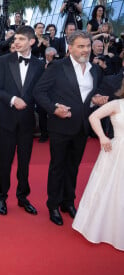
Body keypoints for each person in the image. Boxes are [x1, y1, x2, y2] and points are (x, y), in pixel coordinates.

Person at [33, 30, 105, 226]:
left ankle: (68, 202)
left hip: (82, 126)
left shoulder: (94, 70)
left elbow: (90, 96)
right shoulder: (57, 67)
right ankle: (53, 205)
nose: (85, 50)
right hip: (60, 126)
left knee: (73, 167)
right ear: (70, 47)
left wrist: (97, 99)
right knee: (58, 166)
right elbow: (39, 92)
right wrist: (54, 109)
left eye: (88, 46)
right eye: (81, 46)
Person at [0, 25, 44, 216]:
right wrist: (13, 100)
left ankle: (23, 197)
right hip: (7, 121)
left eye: (21, 39)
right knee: (5, 162)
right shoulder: (4, 61)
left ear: (31, 41)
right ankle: (2, 196)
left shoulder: (39, 65)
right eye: (15, 39)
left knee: (24, 163)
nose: (16, 42)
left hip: (27, 123)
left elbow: (41, 92)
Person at [72, 85, 124, 251]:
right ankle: (106, 228)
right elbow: (93, 117)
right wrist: (102, 137)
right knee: (111, 190)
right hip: (116, 153)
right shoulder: (117, 104)